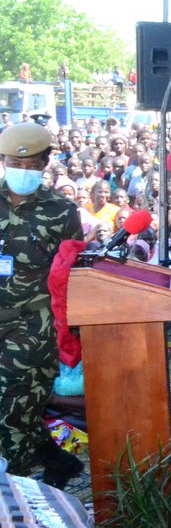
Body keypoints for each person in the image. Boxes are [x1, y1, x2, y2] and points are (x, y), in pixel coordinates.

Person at [0, 123, 86, 488]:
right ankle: (57, 460)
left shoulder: (62, 211)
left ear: (46, 162)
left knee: (11, 414)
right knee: (17, 410)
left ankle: (14, 494)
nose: (21, 171)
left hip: (33, 330)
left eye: (31, 164)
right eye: (12, 162)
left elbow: (73, 274)